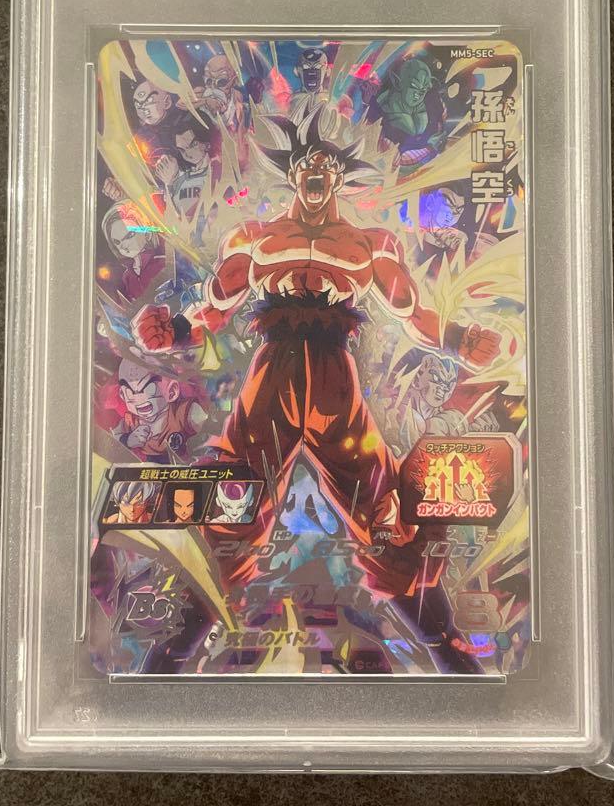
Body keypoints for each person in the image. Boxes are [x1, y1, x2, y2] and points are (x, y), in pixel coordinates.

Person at [132, 105, 499, 672]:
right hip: (272, 374)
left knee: (382, 506)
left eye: (327, 163)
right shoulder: (255, 239)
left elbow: (413, 315)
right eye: (307, 161)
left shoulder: (370, 245)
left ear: (339, 176)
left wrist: (460, 339)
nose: (317, 169)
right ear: (293, 173)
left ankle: (450, 650)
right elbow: (214, 310)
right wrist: (173, 330)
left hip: (334, 378)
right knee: (233, 498)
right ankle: (166, 657)